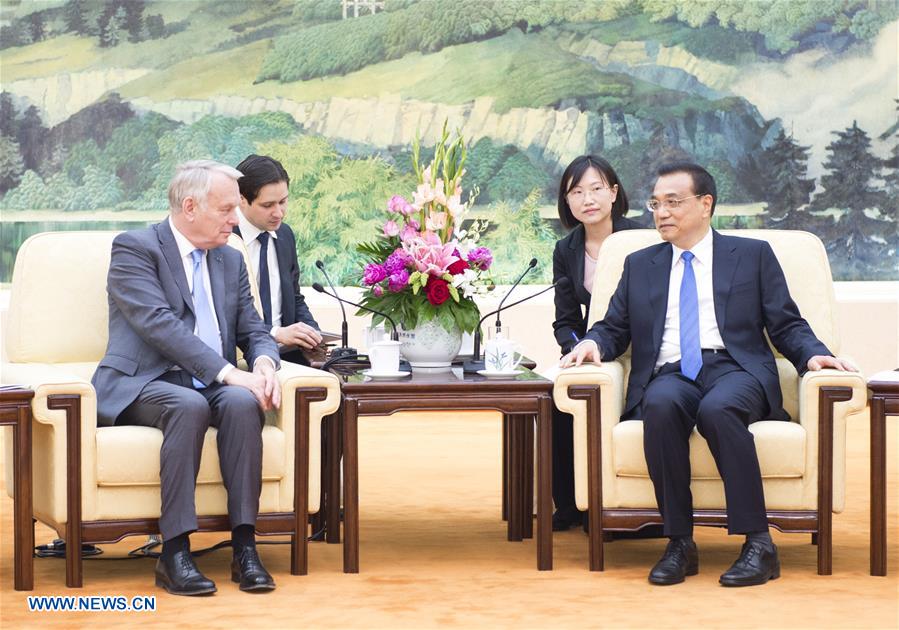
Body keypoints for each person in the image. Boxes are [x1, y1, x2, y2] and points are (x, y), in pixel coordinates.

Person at [561, 162, 855, 586]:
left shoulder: (751, 256)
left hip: (734, 368)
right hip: (672, 372)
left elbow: (786, 323)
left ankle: (758, 543)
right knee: (659, 406)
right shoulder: (641, 263)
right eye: (656, 203)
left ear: (705, 204)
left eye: (673, 202)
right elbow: (614, 326)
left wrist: (815, 356)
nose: (661, 212)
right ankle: (680, 543)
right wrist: (592, 343)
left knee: (718, 410)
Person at [91, 160, 282, 596]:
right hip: (144, 380)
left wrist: (265, 365)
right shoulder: (135, 249)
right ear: (190, 206)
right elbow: (158, 324)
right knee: (189, 404)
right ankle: (174, 552)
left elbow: (254, 330)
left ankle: (245, 548)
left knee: (240, 402)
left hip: (211, 382)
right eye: (227, 209)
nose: (237, 220)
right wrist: (230, 371)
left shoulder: (230, 261)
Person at [550, 155, 640, 531]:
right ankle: (571, 505)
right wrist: (577, 349)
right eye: (577, 191)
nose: (588, 199)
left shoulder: (641, 239)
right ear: (567, 202)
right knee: (560, 403)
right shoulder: (566, 250)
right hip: (592, 352)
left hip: (639, 348)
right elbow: (565, 320)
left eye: (596, 188)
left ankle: (622, 509)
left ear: (614, 193)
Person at [233, 154, 323, 365]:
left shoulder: (285, 235)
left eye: (283, 202)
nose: (279, 213)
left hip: (289, 354)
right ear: (242, 200)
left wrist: (313, 332)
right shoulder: (225, 239)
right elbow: (224, 314)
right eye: (268, 205)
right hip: (242, 355)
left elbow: (294, 297)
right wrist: (275, 332)